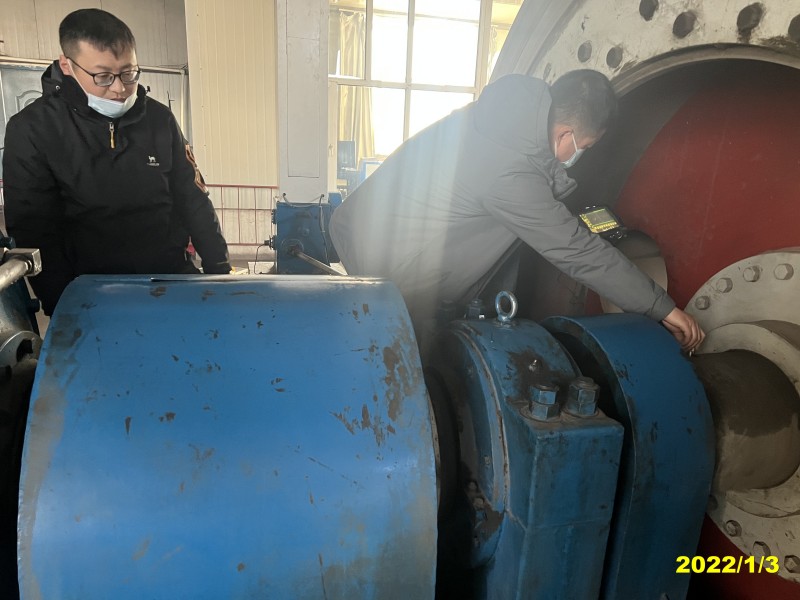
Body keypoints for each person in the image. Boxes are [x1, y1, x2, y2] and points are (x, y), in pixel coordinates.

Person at [329, 70, 704, 352]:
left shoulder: (510, 111)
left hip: (368, 223)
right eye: (585, 146)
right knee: (407, 357)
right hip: (384, 259)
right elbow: (575, 250)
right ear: (565, 134)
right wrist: (662, 308)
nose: (582, 154)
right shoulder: (507, 175)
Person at [2, 8, 230, 316]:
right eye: (103, 76)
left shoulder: (159, 119)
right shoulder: (33, 129)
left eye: (128, 73)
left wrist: (220, 274)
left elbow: (194, 199)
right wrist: (63, 306)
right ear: (67, 66)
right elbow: (35, 227)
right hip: (90, 292)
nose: (119, 88)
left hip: (171, 279)